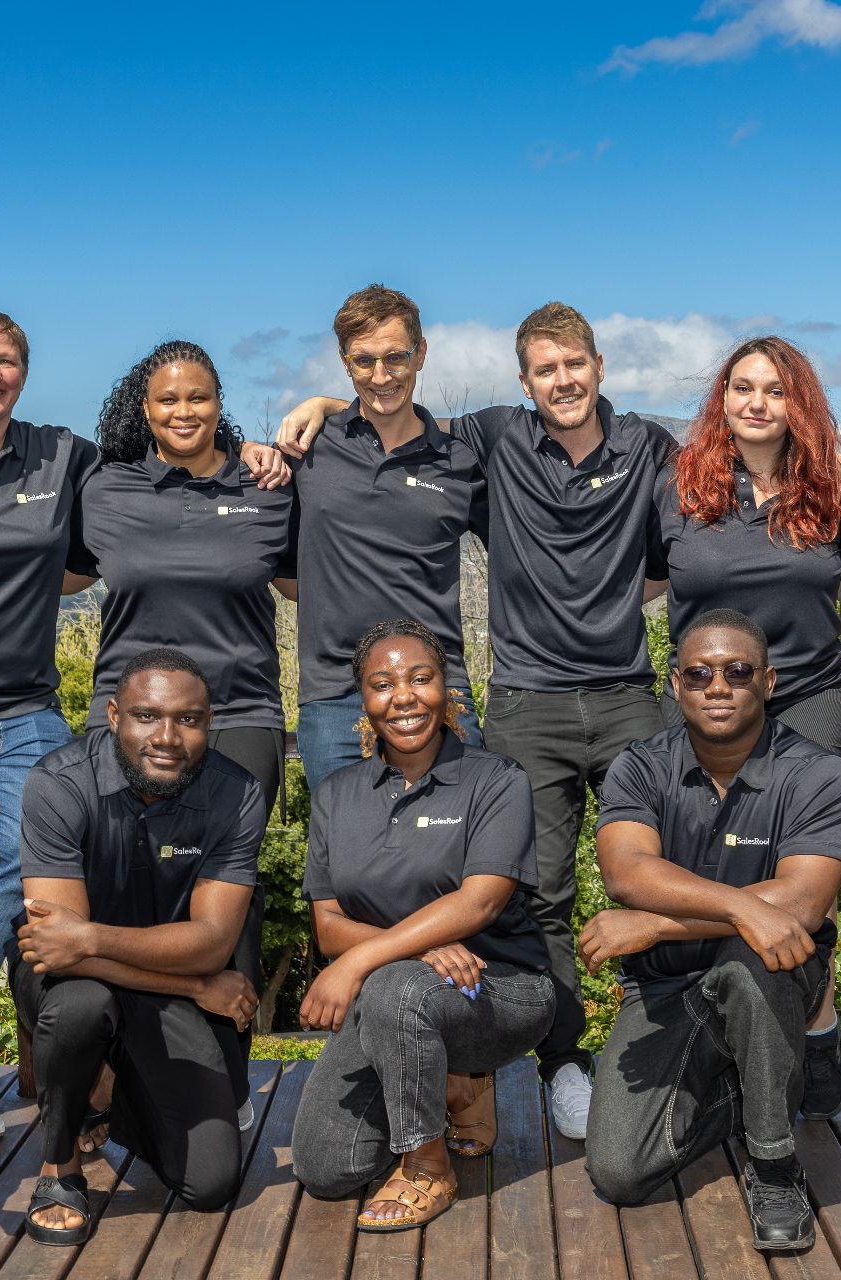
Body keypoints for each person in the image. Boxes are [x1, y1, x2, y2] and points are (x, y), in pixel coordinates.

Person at [0, 310, 286, 1141]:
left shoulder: (70, 458)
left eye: (7, 360)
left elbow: (112, 551)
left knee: (44, 897)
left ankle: (185, 1084)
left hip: (53, 715)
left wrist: (283, 436)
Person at [280, 300, 676, 1139]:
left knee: (588, 880)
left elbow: (663, 564)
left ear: (599, 367)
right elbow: (284, 560)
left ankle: (497, 1090)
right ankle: (415, 1071)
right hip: (357, 696)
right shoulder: (352, 445)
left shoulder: (493, 446)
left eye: (574, 365)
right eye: (363, 361)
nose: (381, 374)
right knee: (389, 880)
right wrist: (313, 408)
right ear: (523, 382)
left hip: (474, 691)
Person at [578, 610, 841, 1254]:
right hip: (667, 989)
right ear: (675, 685)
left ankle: (775, 1162)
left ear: (769, 680)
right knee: (620, 1173)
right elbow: (626, 871)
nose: (718, 686)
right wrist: (742, 906)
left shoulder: (814, 771)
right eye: (700, 674)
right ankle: (751, 1083)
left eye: (738, 671)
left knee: (749, 964)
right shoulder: (639, 767)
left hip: (776, 977)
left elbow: (805, 902)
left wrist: (653, 924)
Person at [290, 619, 553, 1233]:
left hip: (499, 988)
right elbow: (327, 925)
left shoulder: (497, 780)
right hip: (400, 997)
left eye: (420, 678)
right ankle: (453, 1088)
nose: (402, 696)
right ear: (364, 703)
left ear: (446, 689)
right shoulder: (336, 793)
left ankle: (427, 1164)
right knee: (326, 1169)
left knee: (394, 987)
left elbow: (481, 903)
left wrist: (363, 960)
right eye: (382, 684)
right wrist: (417, 950)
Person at [655, 336, 841, 1118]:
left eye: (775, 390)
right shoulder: (681, 488)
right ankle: (718, 1032)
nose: (756, 402)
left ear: (796, 403)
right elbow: (638, 577)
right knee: (708, 862)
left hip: (808, 695)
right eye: (742, 387)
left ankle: (817, 1026)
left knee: (806, 874)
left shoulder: (833, 489)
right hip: (707, 697)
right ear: (722, 399)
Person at [11, 647, 266, 1244]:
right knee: (81, 1005)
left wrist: (94, 936)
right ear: (113, 715)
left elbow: (210, 942)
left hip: (158, 987)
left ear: (210, 724)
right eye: (147, 716)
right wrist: (196, 984)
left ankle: (106, 1093)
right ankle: (59, 1164)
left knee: (211, 1183)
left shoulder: (238, 793)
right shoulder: (58, 782)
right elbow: (57, 948)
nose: (168, 737)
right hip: (71, 984)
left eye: (190, 720)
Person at [64, 340, 298, 818]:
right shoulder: (103, 489)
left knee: (230, 878)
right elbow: (55, 579)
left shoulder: (271, 490)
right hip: (129, 717)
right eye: (168, 400)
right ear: (145, 409)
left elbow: (310, 588)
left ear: (218, 402)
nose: (184, 412)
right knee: (124, 875)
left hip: (239, 715)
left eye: (199, 397)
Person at [283, 285, 488, 795]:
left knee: (456, 853)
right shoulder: (308, 450)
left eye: (396, 358)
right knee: (346, 863)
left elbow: (526, 545)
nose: (381, 376)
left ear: (420, 353)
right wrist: (245, 448)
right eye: (364, 360)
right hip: (334, 697)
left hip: (440, 691)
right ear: (344, 360)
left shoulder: (459, 461)